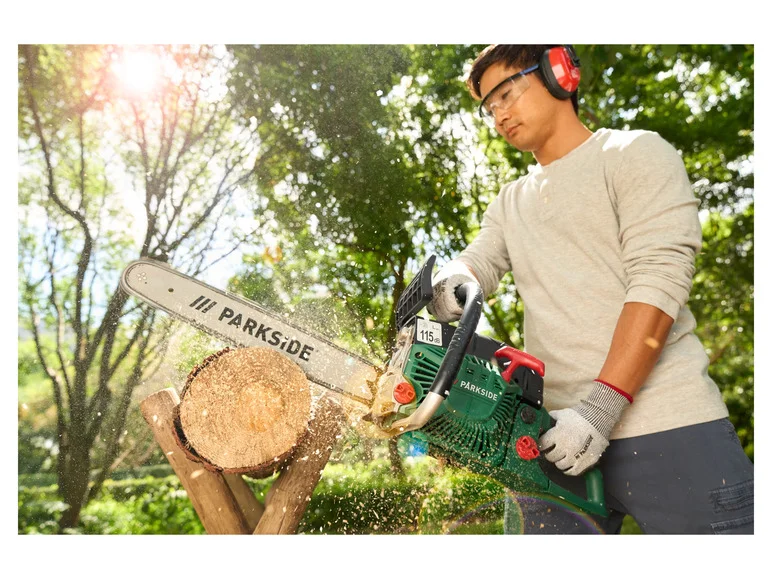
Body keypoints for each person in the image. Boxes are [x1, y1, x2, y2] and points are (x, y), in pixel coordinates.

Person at [427, 44, 754, 534]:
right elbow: (478, 261)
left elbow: (659, 279)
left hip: (670, 424)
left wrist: (601, 409)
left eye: (507, 93)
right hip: (553, 441)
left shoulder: (632, 153)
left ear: (560, 73)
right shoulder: (511, 200)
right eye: (489, 108)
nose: (500, 115)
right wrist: (454, 280)